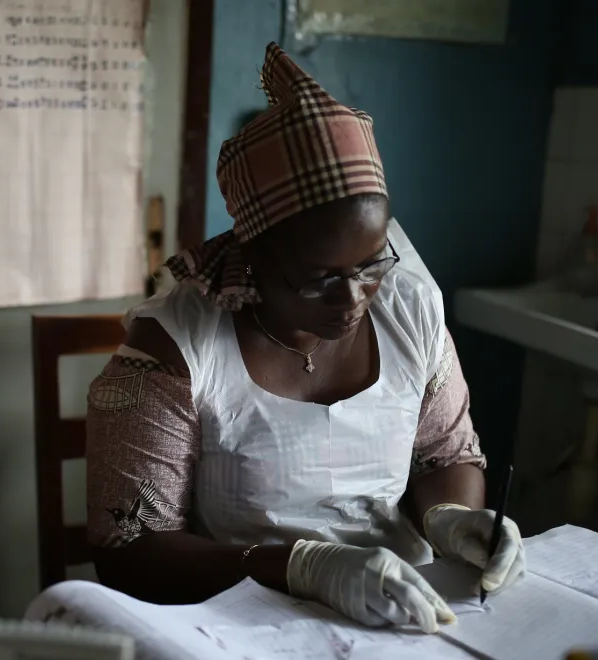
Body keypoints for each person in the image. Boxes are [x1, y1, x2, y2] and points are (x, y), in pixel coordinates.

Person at [85, 42, 524, 634]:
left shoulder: (411, 310)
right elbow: (128, 554)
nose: (353, 299)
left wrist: (450, 517)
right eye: (320, 279)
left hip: (404, 612)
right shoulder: (175, 350)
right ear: (254, 257)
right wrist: (300, 566)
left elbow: (445, 457)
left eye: (371, 264)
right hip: (245, 623)